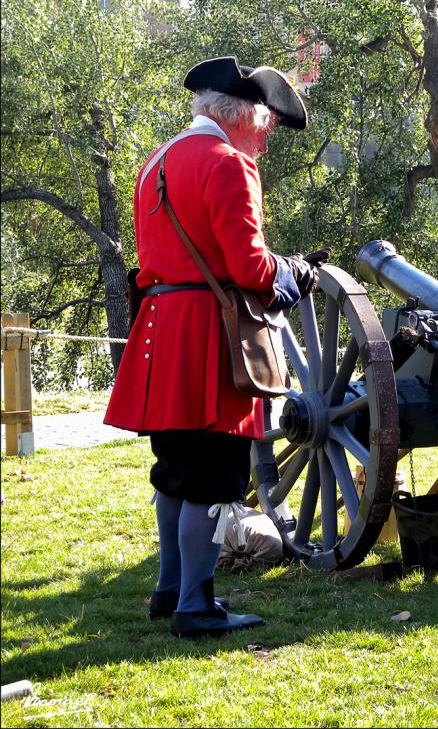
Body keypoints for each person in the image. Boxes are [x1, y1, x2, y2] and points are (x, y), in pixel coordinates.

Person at [105, 56, 325, 636]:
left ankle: (170, 588)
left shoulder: (157, 160)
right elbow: (251, 269)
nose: (268, 138)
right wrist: (293, 272)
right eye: (267, 126)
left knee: (174, 469)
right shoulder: (228, 163)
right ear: (247, 118)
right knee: (208, 475)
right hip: (208, 336)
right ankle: (196, 607)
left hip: (161, 331)